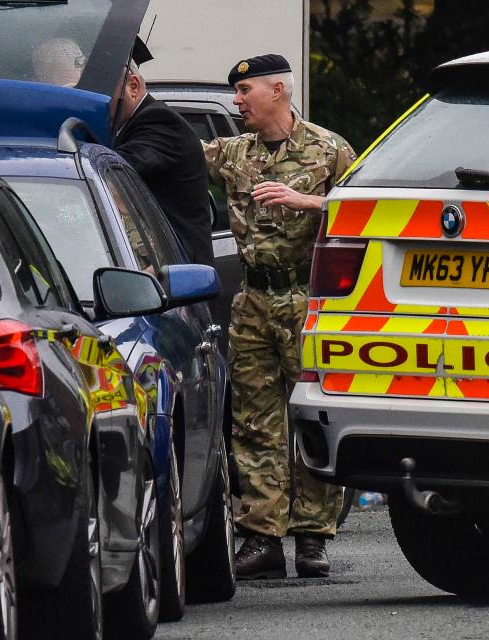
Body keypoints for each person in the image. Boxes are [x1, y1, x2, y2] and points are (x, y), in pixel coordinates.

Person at [203, 54, 357, 579]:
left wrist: (307, 202)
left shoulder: (330, 149)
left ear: (277, 90)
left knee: (314, 415)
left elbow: (364, 211)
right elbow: (170, 155)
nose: (237, 101)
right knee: (254, 422)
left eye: (245, 90)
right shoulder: (233, 153)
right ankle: (262, 537)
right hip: (253, 302)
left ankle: (312, 538)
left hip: (309, 300)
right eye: (236, 91)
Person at [111, 39, 214, 267]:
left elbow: (112, 170)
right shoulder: (131, 124)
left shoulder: (159, 121)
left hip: (176, 271)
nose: (97, 101)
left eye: (104, 92)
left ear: (133, 87)